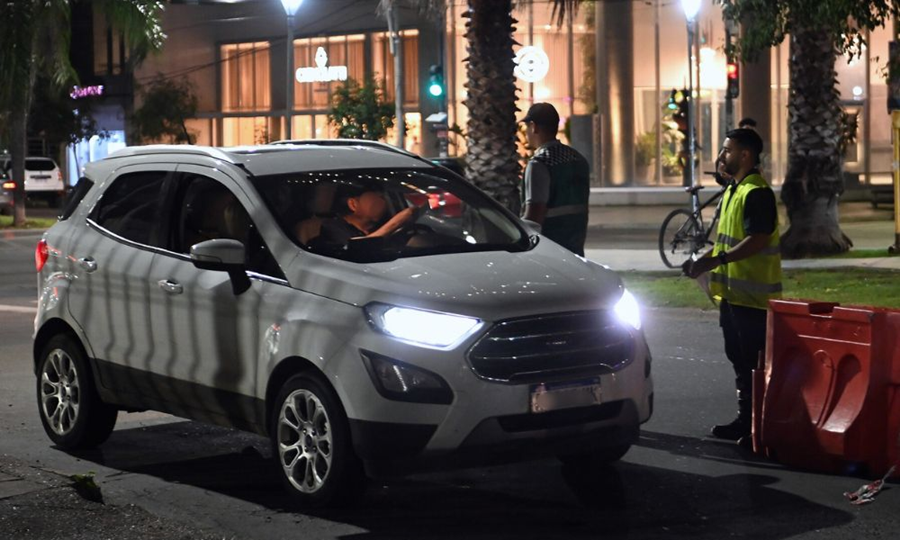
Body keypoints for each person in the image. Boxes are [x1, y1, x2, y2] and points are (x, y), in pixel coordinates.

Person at [683, 128, 782, 442]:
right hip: (732, 296)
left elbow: (757, 239)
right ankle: (746, 421)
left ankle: (760, 428)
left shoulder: (756, 192)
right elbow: (726, 240)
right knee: (739, 361)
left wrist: (717, 261)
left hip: (753, 300)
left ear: (745, 155)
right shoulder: (734, 191)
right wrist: (704, 261)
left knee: (754, 365)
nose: (722, 156)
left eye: (728, 150)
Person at [520, 102, 591, 256]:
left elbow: (534, 217)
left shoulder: (539, 164)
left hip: (550, 251)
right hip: (576, 248)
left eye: (527, 128)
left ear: (534, 127)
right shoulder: (578, 159)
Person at [315, 182, 416, 250]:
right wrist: (396, 222)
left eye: (383, 197)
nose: (383, 202)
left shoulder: (382, 224)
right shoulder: (332, 226)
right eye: (377, 198)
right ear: (353, 204)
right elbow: (356, 249)